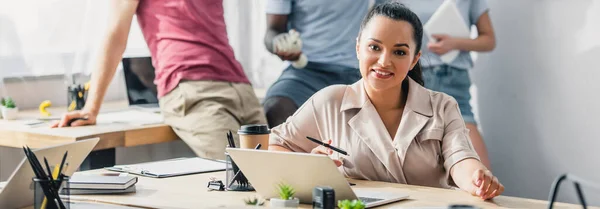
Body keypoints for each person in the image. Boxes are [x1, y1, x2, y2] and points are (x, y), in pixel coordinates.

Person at [268, 2, 504, 200]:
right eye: (374, 47)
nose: (383, 61)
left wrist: (477, 178)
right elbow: (275, 146)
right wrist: (309, 165)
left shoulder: (443, 106)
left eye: (399, 52)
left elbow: (461, 159)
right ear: (358, 48)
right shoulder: (329, 101)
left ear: (414, 59)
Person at [51, 0, 266, 160]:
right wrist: (91, 107)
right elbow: (116, 34)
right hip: (192, 89)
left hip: (241, 86)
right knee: (242, 181)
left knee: (275, 182)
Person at [397, 0, 495, 169]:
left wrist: (455, 43)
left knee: (465, 133)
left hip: (449, 74)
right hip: (410, 76)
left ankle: (481, 188)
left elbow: (488, 40)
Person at [262, 0, 384, 128]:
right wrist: (278, 43)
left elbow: (389, 14)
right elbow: (273, 31)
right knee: (275, 107)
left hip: (355, 70)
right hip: (304, 71)